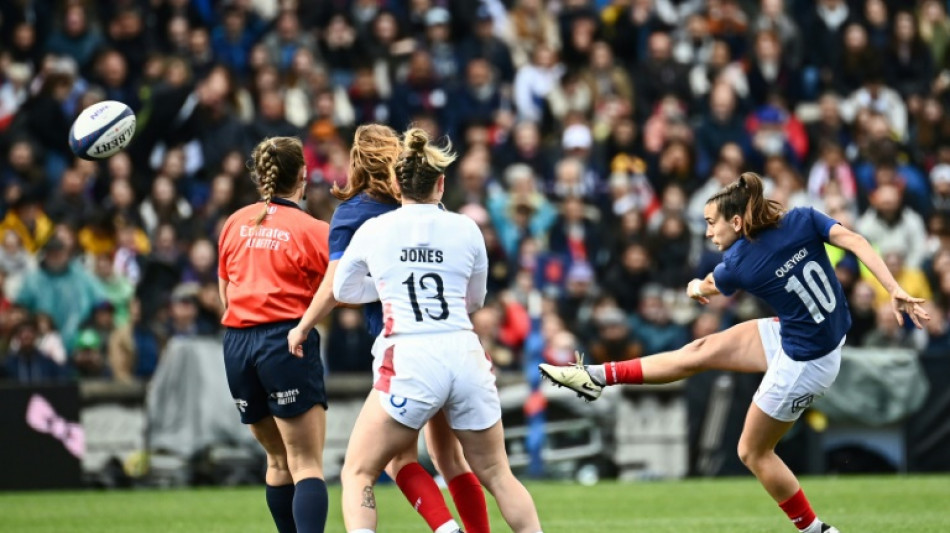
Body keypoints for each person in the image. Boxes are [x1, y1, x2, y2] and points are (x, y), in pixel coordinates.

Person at [540, 172, 931, 533]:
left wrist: (695, 287)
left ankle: (817, 531)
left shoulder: (741, 263)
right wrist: (893, 287)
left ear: (738, 223)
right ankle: (595, 377)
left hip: (805, 362)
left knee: (752, 452)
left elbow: (707, 287)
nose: (708, 232)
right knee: (699, 351)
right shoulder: (802, 218)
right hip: (804, 336)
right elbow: (857, 241)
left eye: (712, 223)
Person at [333, 128, 544, 533]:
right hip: (463, 351)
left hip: (410, 356)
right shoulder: (466, 228)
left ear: (396, 184)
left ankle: (447, 530)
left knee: (358, 471)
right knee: (498, 473)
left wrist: (390, 282)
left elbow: (343, 288)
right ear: (441, 183)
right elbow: (476, 299)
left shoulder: (376, 230)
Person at [287, 124, 489, 533]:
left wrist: (304, 325)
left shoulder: (354, 213)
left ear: (357, 161)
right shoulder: (428, 204)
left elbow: (336, 284)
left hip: (402, 348)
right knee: (453, 460)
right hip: (453, 341)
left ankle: (446, 529)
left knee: (385, 462)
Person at [217, 136, 330, 533]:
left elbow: (225, 289)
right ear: (303, 175)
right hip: (284, 340)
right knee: (306, 463)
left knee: (278, 461)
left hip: (236, 342)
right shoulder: (312, 229)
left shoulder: (235, 222)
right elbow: (338, 290)